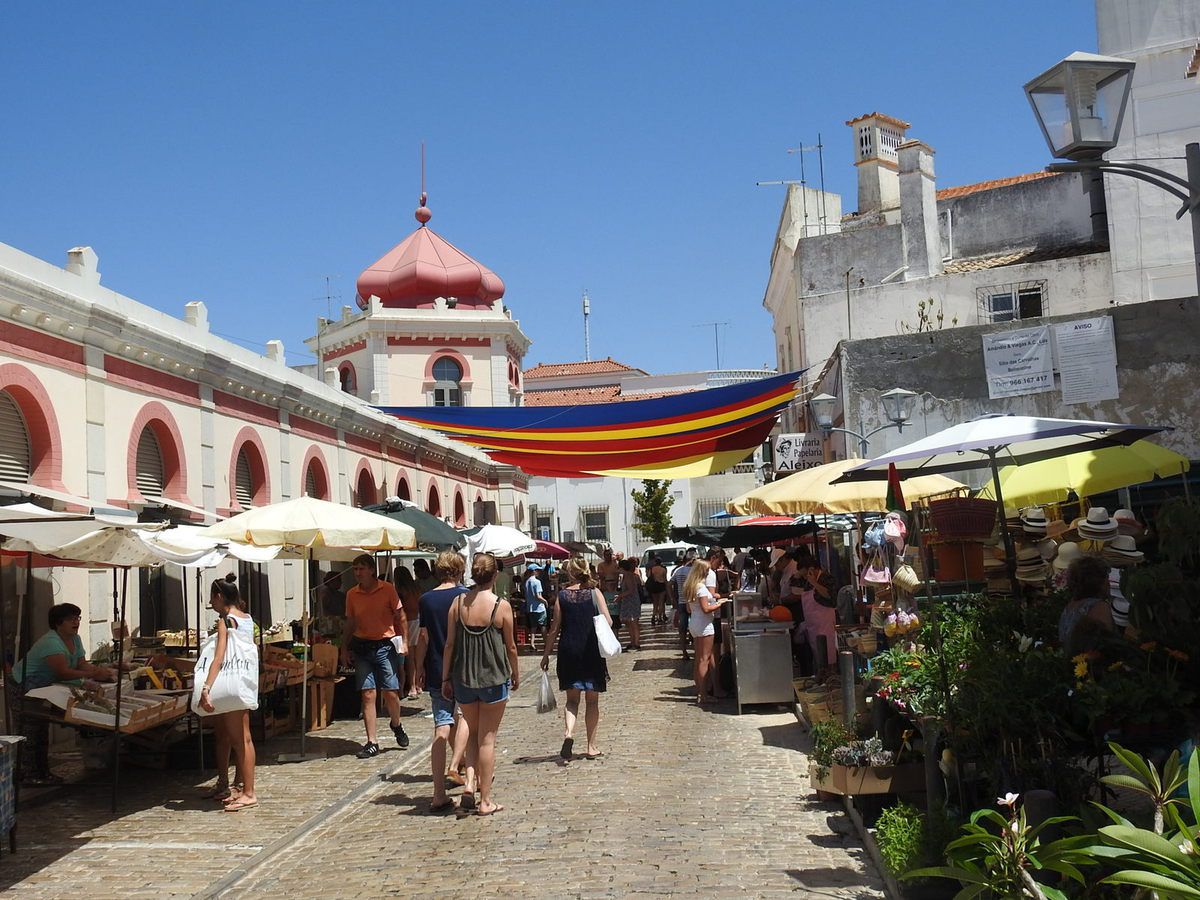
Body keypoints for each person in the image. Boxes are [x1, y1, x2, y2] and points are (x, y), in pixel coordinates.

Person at [442, 553, 518, 816]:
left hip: (464, 678)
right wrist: (515, 673)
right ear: (494, 575)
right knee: (488, 740)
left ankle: (470, 786)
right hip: (494, 678)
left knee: (473, 735)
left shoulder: (458, 603)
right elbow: (510, 646)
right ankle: (486, 800)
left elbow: (449, 645)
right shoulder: (501, 606)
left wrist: (445, 677)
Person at [9, 602, 117, 784]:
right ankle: (29, 774)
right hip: (24, 685)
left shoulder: (75, 639)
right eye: (70, 619)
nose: (76, 622)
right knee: (30, 729)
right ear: (59, 623)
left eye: (77, 618)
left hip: (44, 688)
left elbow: (81, 663)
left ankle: (41, 772)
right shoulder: (51, 643)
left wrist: (98, 672)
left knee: (41, 728)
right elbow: (63, 672)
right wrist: (89, 677)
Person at [413, 550, 469, 813]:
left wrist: (417, 668)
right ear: (459, 570)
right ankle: (463, 771)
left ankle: (438, 793)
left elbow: (422, 638)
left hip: (436, 668)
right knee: (469, 721)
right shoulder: (465, 596)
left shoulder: (426, 600)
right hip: (465, 668)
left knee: (442, 725)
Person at [198, 574, 259, 812]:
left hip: (228, 683)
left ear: (219, 596)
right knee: (238, 737)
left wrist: (206, 687)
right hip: (242, 681)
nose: (211, 603)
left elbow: (219, 657)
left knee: (240, 738)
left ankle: (249, 792)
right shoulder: (246, 619)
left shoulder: (226, 621)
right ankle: (240, 787)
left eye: (212, 598)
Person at [340, 553, 409, 759]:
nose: (358, 573)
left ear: (371, 570)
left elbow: (401, 616)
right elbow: (350, 622)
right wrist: (344, 647)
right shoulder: (352, 594)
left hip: (384, 646)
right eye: (355, 569)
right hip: (362, 647)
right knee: (368, 694)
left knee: (390, 692)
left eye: (361, 569)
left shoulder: (387, 589)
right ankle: (372, 741)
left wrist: (404, 641)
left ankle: (396, 724)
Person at [541, 556, 610, 760]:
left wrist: (546, 654)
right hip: (591, 650)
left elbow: (554, 629)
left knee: (572, 700)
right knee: (592, 701)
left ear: (570, 573)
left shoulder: (562, 596)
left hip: (569, 649)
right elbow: (607, 620)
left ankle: (569, 733)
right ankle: (591, 746)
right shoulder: (595, 593)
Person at [683, 559, 727, 706]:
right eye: (707, 570)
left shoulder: (690, 586)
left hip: (694, 622)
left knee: (699, 659)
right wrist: (718, 604)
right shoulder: (701, 587)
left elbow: (690, 608)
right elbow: (706, 609)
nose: (709, 573)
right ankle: (703, 694)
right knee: (704, 660)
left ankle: (699, 691)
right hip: (704, 624)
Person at [1059, 556, 1115, 657]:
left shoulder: (1069, 607)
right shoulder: (1099, 607)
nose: (1109, 583)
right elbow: (1106, 646)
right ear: (1099, 582)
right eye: (1107, 578)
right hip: (1091, 668)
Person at [796, 557, 838, 670]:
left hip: (826, 626)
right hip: (813, 628)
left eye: (805, 574)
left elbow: (831, 597)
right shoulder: (807, 582)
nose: (805, 578)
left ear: (811, 569)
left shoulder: (826, 578)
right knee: (818, 659)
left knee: (829, 658)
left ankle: (831, 679)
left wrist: (814, 583)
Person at [394, 565, 422, 699]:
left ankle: (411, 686)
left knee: (409, 658)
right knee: (418, 656)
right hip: (417, 620)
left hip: (408, 622)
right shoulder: (416, 588)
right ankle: (418, 684)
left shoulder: (401, 591)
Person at [671, 547, 698, 660]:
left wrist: (672, 597)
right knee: (695, 626)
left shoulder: (678, 570)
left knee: (682, 627)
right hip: (692, 602)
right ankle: (696, 649)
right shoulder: (694, 572)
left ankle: (684, 651)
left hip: (681, 602)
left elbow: (669, 584)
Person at [616, 558, 643, 651]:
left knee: (633, 622)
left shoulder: (628, 576)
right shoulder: (626, 575)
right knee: (629, 622)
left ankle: (636, 642)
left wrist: (620, 596)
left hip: (631, 601)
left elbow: (630, 590)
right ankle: (632, 641)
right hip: (628, 601)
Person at [523, 563, 549, 650]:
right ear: (534, 571)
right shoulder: (537, 582)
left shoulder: (527, 582)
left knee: (533, 627)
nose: (539, 572)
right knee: (543, 626)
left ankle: (532, 643)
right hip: (539, 608)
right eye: (538, 570)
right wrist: (545, 601)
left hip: (530, 607)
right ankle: (546, 643)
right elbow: (538, 596)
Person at [596, 548, 621, 630]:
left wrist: (616, 586)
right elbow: (601, 576)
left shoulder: (615, 565)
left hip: (614, 588)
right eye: (607, 555)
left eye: (610, 555)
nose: (608, 557)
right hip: (604, 588)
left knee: (615, 606)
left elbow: (617, 576)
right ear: (604, 556)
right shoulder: (600, 565)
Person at [646, 555, 668, 626]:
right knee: (661, 602)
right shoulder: (663, 569)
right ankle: (659, 618)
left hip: (653, 586)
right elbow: (665, 579)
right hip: (661, 586)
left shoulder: (652, 569)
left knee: (655, 603)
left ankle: (653, 616)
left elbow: (648, 576)